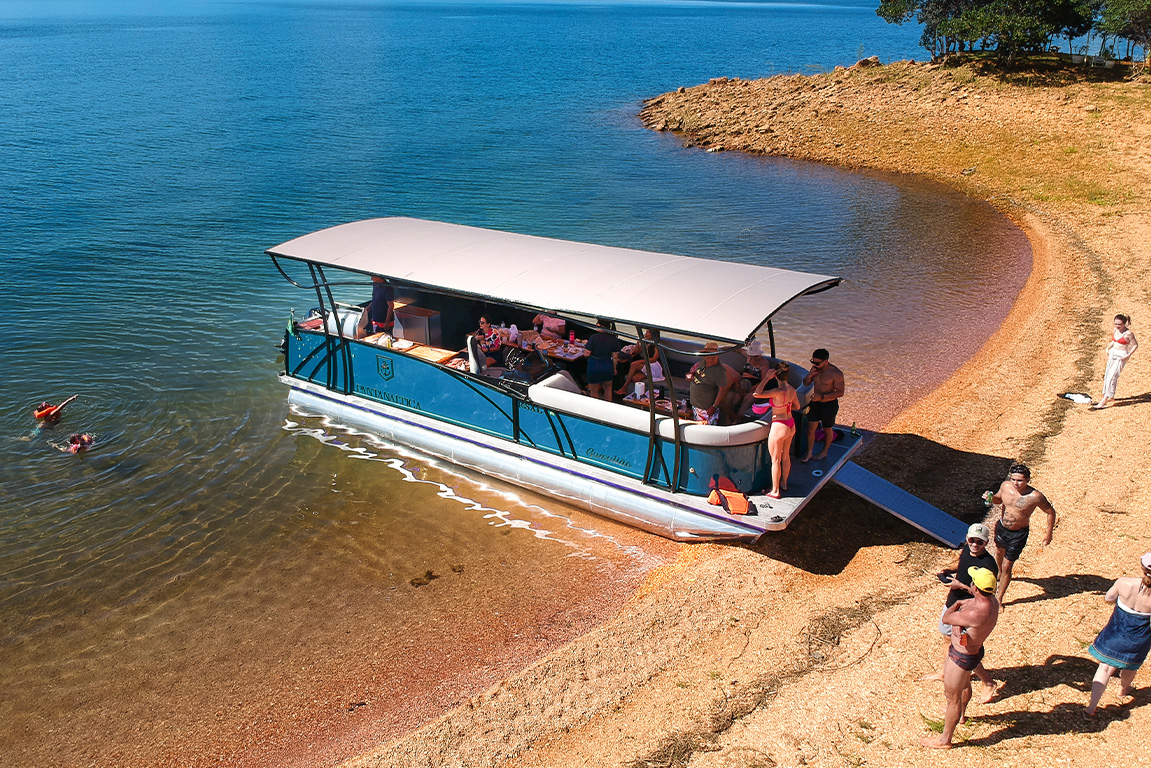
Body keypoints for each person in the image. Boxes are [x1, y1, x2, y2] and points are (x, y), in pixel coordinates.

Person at [920, 523, 1000, 703]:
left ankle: (987, 681)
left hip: (969, 610)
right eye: (972, 540)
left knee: (963, 649)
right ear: (967, 539)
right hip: (954, 601)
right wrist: (950, 571)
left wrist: (961, 586)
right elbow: (962, 564)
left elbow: (987, 596)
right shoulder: (966, 550)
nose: (975, 544)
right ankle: (944, 672)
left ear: (986, 542)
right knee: (948, 640)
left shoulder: (988, 565)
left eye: (980, 542)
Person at [921, 567, 1000, 749]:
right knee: (965, 685)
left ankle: (945, 740)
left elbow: (947, 618)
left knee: (952, 698)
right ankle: (961, 715)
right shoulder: (993, 602)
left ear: (975, 587)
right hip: (974, 652)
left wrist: (957, 605)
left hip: (960, 657)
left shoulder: (973, 613)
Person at [1085, 552, 1151, 717]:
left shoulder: (1124, 583)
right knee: (1130, 666)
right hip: (1139, 639)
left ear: (1142, 567)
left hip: (1114, 634)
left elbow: (1109, 598)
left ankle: (1091, 708)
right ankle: (1123, 691)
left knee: (1105, 668)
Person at [989, 463, 1056, 610]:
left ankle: (999, 599)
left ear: (1027, 480)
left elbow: (1050, 512)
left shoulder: (1035, 496)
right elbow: (998, 500)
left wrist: (1048, 533)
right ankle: (999, 574)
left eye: (1020, 480)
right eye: (1013, 479)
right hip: (1002, 527)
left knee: (1008, 565)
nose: (1016, 483)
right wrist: (990, 497)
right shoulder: (1006, 486)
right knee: (999, 554)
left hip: (1018, 534)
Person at [751, 362, 800, 498]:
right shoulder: (792, 389)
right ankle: (784, 483)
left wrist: (766, 378)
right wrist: (784, 408)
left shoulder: (777, 392)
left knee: (775, 460)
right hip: (790, 423)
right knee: (785, 456)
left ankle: (775, 491)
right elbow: (797, 406)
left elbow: (756, 393)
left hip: (779, 424)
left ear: (776, 376)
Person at [801, 348, 844, 462]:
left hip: (829, 405)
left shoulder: (836, 373)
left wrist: (822, 396)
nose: (815, 365)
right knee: (810, 429)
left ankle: (824, 452)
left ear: (826, 360)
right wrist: (810, 375)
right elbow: (805, 383)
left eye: (817, 363)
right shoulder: (815, 369)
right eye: (813, 362)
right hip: (815, 403)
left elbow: (840, 392)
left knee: (827, 429)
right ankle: (809, 452)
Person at [1092, 314, 1138, 409]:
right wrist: (1108, 347)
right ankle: (1111, 395)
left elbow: (1135, 345)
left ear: (1124, 324)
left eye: (1119, 324)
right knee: (1108, 375)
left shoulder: (1128, 333)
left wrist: (1128, 355)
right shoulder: (1115, 330)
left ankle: (1104, 399)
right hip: (1113, 353)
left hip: (1121, 356)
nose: (1117, 326)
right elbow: (1115, 341)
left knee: (1112, 376)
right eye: (1115, 324)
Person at [688, 341, 731, 425]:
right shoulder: (701, 363)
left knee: (706, 429)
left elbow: (723, 389)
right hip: (696, 405)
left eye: (713, 357)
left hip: (706, 408)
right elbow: (691, 374)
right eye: (708, 357)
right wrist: (689, 375)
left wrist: (714, 406)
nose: (710, 360)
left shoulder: (719, 370)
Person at [584, 319, 623, 401]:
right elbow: (615, 356)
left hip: (594, 365)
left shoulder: (593, 337)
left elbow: (586, 353)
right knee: (608, 389)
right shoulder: (614, 339)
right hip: (607, 365)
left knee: (594, 392)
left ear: (602, 326)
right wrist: (614, 369)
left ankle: (595, 410)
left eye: (597, 323)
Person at [615, 330, 663, 396]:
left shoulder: (657, 344)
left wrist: (640, 361)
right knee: (635, 378)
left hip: (654, 366)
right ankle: (641, 395)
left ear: (653, 334)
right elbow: (636, 351)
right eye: (646, 332)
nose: (646, 334)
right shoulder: (645, 343)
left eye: (648, 332)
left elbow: (654, 359)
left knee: (634, 364)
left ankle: (624, 388)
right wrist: (639, 341)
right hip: (646, 364)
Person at [735, 340, 775, 418]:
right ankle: (727, 417)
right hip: (743, 383)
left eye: (756, 356)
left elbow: (763, 382)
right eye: (753, 355)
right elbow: (739, 350)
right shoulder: (749, 357)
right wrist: (724, 348)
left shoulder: (764, 364)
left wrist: (749, 389)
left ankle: (738, 419)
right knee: (735, 398)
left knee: (747, 400)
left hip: (755, 387)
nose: (754, 357)